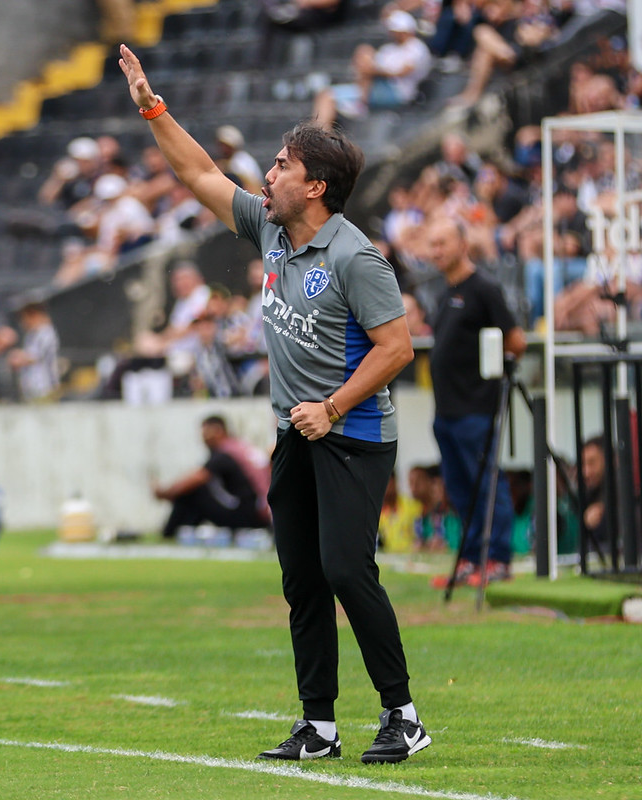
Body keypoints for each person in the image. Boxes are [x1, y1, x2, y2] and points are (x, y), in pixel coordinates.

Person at [120, 44, 430, 764]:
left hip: (353, 435)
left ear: (315, 185)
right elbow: (197, 171)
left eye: (284, 165)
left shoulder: (356, 258)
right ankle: (319, 726)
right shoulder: (270, 228)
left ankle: (403, 715)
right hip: (297, 433)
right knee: (302, 580)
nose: (269, 172)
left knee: (348, 569)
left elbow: (397, 348)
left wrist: (333, 405)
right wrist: (151, 107)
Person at [427, 218, 526, 587]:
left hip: (476, 409)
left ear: (462, 244)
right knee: (459, 488)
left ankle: (498, 559)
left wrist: (489, 366)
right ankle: (470, 557)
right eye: (432, 245)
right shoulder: (441, 293)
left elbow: (516, 340)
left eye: (443, 243)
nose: (436, 252)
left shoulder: (484, 288)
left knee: (487, 485)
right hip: (446, 410)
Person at [153, 415, 270, 538]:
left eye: (206, 433)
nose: (203, 439)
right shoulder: (240, 447)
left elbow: (198, 477)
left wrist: (166, 493)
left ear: (218, 431)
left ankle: (169, 533)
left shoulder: (224, 453)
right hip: (262, 511)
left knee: (194, 491)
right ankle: (184, 531)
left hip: (249, 516)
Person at [313, 10, 432, 128]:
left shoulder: (416, 48)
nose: (393, 33)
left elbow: (403, 72)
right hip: (376, 87)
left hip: (398, 92)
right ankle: (323, 131)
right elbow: (373, 65)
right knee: (327, 94)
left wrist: (374, 70)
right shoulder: (389, 48)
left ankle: (359, 105)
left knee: (328, 97)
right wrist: (370, 67)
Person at [7, 301, 61, 402]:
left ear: (34, 314)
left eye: (24, 317)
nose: (22, 322)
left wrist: (18, 357)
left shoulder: (46, 332)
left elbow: (37, 356)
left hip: (44, 389)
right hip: (30, 390)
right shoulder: (31, 335)